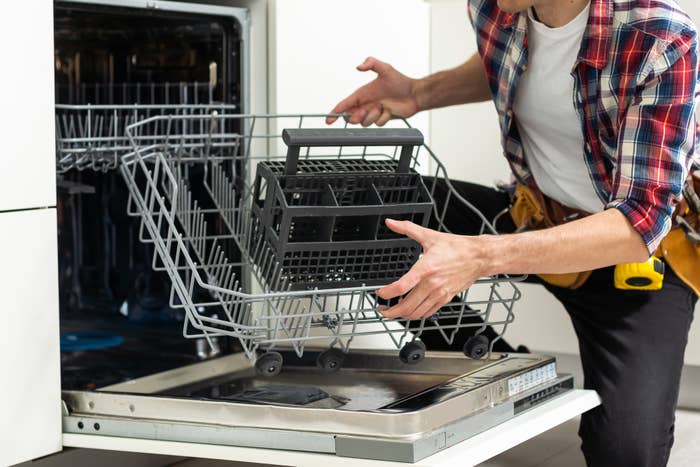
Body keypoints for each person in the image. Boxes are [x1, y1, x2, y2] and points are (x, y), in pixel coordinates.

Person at [327, 1, 700, 466]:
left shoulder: (660, 38)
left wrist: (481, 255)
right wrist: (418, 92)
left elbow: (639, 220)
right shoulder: (497, 8)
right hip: (535, 215)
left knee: (628, 453)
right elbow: (506, 62)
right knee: (352, 209)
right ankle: (500, 375)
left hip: (633, 257)